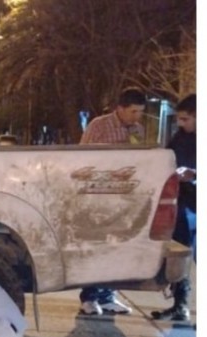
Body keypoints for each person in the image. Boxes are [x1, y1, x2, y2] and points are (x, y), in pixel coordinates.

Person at [76, 87, 147, 316]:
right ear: (120, 109)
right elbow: (83, 159)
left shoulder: (137, 129)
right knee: (97, 245)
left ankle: (107, 295)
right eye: (133, 112)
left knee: (117, 247)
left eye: (140, 112)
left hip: (124, 197)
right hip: (99, 195)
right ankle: (89, 297)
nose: (137, 117)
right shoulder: (99, 126)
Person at [152, 94, 196, 321]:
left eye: (186, 119)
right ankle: (180, 305)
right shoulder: (179, 139)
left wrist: (195, 176)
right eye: (179, 119)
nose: (180, 123)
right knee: (181, 258)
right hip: (182, 207)